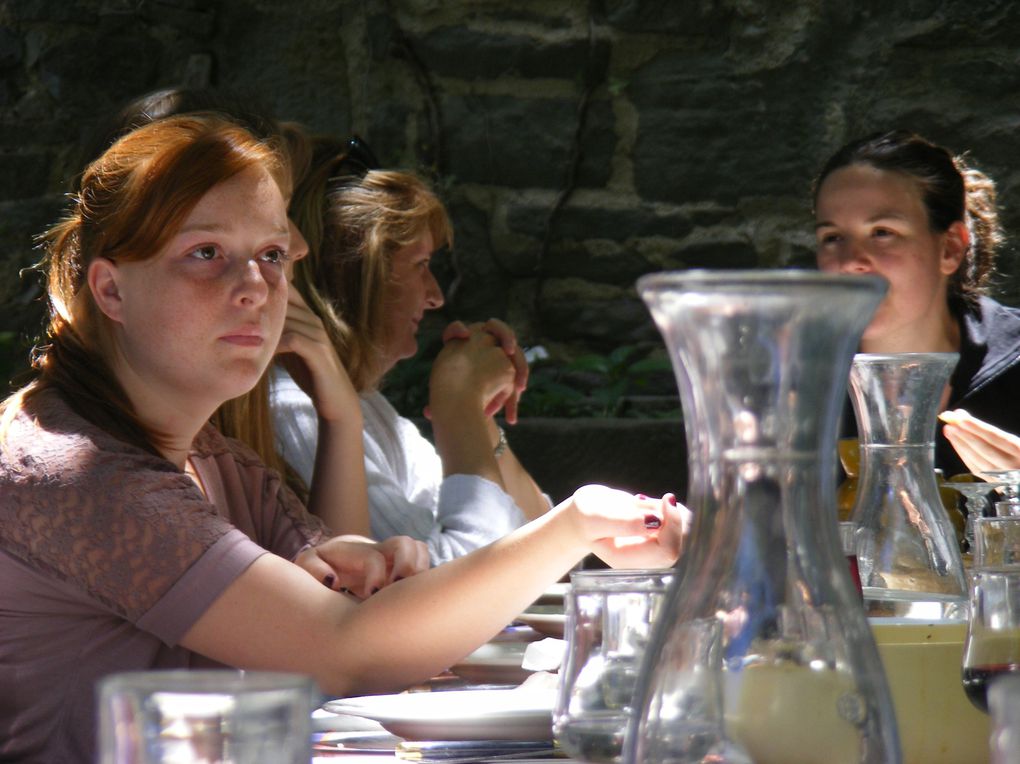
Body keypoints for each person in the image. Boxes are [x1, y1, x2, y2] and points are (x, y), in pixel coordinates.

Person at [0, 115, 685, 761]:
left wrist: (376, 565)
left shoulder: (212, 459)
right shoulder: (74, 473)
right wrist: (577, 525)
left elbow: (350, 599)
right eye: (205, 253)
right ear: (111, 291)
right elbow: (348, 650)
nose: (254, 287)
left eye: (271, 254)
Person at [272, 135, 551, 563]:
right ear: (353, 280)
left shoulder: (369, 407)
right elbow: (463, 579)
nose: (436, 296)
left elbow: (539, 547)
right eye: (420, 266)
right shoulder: (293, 409)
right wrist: (457, 405)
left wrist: (480, 419)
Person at [812, 129, 1020, 478]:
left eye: (882, 232)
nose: (850, 261)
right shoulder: (794, 381)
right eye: (832, 238)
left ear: (950, 248)